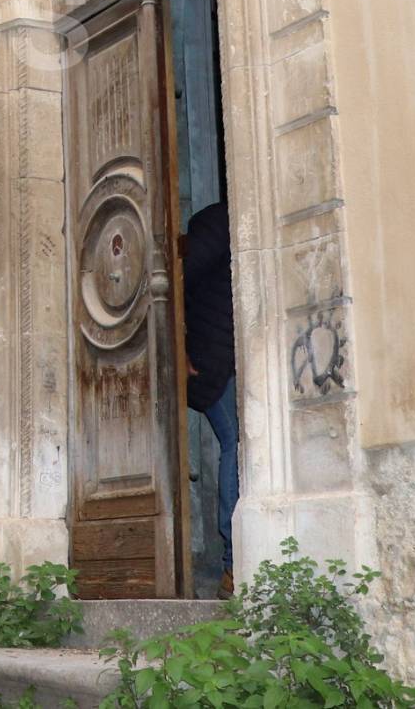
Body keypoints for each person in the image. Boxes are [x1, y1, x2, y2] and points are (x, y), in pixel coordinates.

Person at [182, 200, 238, 597]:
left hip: (237, 357)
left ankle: (236, 566)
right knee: (239, 447)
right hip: (216, 362)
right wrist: (178, 344)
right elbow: (172, 280)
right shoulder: (219, 222)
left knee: (240, 448)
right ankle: (236, 566)